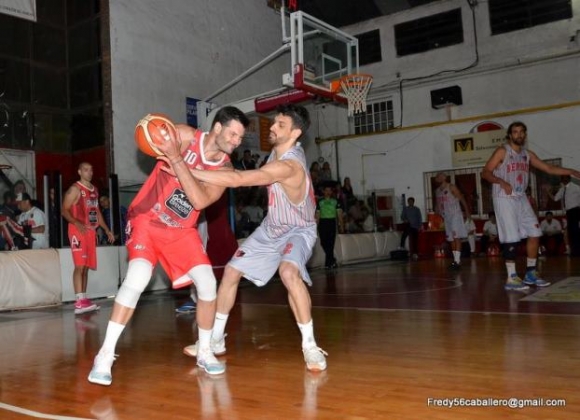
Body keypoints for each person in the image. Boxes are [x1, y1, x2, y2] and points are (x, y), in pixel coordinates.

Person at [87, 107, 249, 386]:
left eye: (240, 138)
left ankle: (205, 350)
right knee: (137, 277)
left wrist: (176, 160)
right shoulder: (184, 136)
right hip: (148, 219)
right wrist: (152, 135)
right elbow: (154, 139)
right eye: (233, 134)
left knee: (208, 284)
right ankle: (105, 354)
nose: (236, 141)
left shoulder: (225, 169)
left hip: (181, 231)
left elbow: (199, 202)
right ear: (218, 128)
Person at [178, 104, 328, 372]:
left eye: (280, 125)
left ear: (296, 133)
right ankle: (216, 340)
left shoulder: (290, 165)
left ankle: (310, 346)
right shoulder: (276, 152)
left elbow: (237, 180)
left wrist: (182, 169)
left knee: (288, 272)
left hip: (298, 229)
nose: (271, 127)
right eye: (274, 122)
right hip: (272, 228)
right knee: (232, 272)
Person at [482, 121, 580, 291]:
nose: (518, 135)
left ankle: (530, 273)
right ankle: (511, 278)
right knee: (511, 238)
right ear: (510, 135)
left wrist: (570, 171)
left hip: (520, 197)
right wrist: (500, 181)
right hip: (504, 197)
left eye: (521, 132)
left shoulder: (527, 154)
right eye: (515, 132)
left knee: (535, 232)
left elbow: (548, 168)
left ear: (525, 135)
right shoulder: (502, 151)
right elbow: (485, 172)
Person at [62, 162, 115, 314]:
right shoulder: (75, 189)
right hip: (77, 230)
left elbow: (97, 211)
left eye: (91, 170)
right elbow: (64, 210)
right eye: (86, 170)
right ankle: (79, 301)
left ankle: (83, 298)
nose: (89, 172)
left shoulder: (95, 190)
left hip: (90, 231)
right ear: (79, 172)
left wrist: (106, 230)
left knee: (85, 266)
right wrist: (76, 222)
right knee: (79, 265)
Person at [434, 172, 469, 269]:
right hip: (446, 217)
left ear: (445, 177)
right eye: (437, 177)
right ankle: (455, 260)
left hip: (455, 214)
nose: (439, 178)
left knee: (456, 237)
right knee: (450, 239)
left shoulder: (451, 187)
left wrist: (467, 212)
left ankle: (457, 261)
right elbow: (437, 205)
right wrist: (437, 214)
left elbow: (461, 198)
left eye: (440, 176)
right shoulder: (437, 191)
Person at [549, 175, 580, 256]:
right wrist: (548, 192)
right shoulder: (563, 189)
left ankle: (577, 251)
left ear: (569, 179)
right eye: (562, 179)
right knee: (571, 232)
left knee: (576, 231)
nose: (564, 180)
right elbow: (555, 198)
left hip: (576, 211)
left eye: (566, 178)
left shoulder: (576, 187)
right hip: (569, 212)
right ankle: (574, 251)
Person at [316, 184, 344, 269]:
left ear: (331, 192)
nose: (328, 192)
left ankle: (329, 263)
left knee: (331, 244)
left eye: (329, 190)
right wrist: (315, 226)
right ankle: (332, 260)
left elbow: (339, 214)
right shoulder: (320, 202)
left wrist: (341, 225)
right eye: (326, 190)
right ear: (323, 192)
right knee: (323, 242)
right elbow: (317, 215)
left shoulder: (336, 201)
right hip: (322, 223)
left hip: (332, 222)